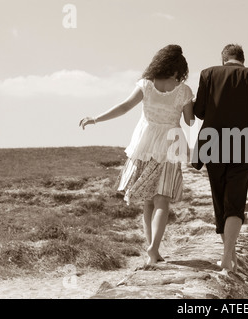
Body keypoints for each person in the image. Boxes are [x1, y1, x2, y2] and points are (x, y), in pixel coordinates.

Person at [79, 45, 195, 265]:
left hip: (145, 143)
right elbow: (190, 121)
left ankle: (151, 249)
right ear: (180, 68)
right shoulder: (184, 90)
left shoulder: (146, 85)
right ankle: (155, 249)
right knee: (163, 200)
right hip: (171, 143)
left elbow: (124, 107)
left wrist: (95, 119)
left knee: (148, 201)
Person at [192, 44, 248, 273]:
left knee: (220, 203)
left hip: (212, 145)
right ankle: (228, 257)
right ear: (242, 59)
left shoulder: (207, 74)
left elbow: (200, 111)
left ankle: (227, 257)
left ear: (223, 59)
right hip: (242, 146)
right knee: (235, 204)